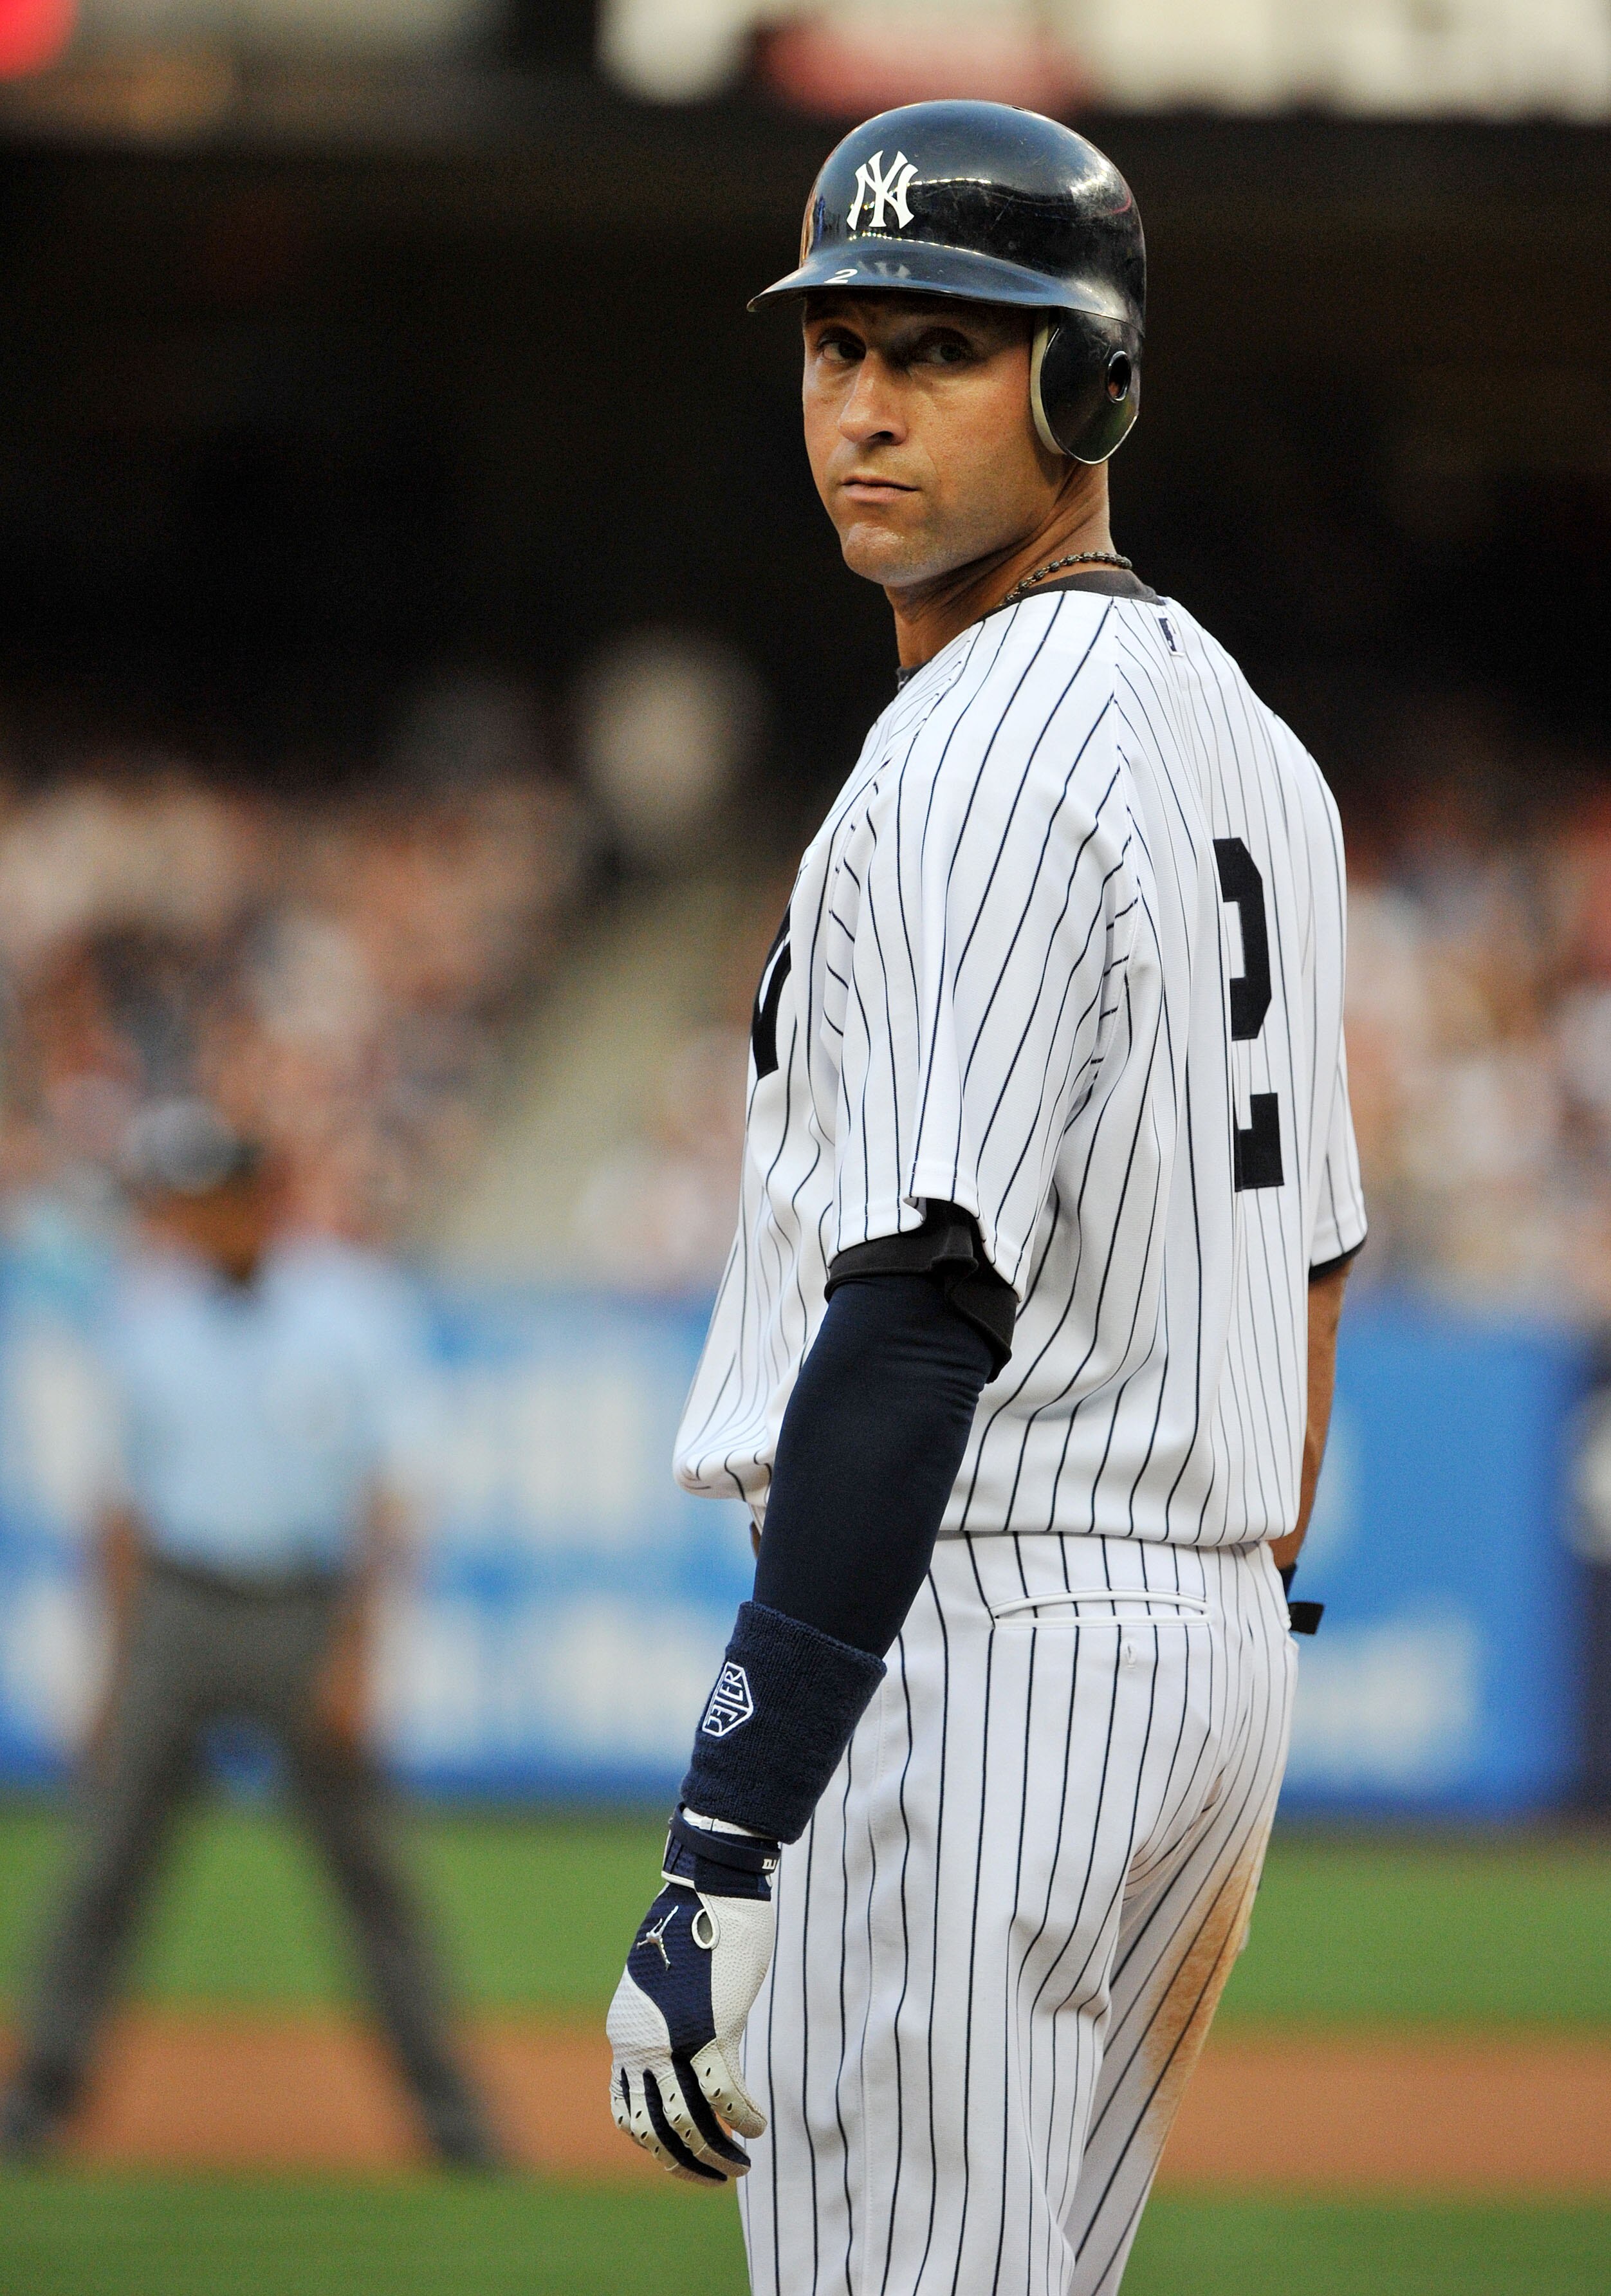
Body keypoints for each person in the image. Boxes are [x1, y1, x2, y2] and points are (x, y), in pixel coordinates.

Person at [605, 100, 1366, 2295]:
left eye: (938, 346)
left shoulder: (968, 751)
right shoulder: (1252, 742)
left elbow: (920, 1301)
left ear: (1084, 382)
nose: (861, 401)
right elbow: (1314, 1247)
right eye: (835, 342)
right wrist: (1197, 1630)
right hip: (1199, 1658)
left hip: (977, 1648)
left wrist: (727, 1832)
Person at [0, 1100, 497, 2169]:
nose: (198, 1225)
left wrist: (360, 1660)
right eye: (187, 1207)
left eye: (214, 1202)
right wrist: (112, 1670)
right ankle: (38, 2110)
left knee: (370, 1880)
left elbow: (388, 1499)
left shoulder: (350, 1307)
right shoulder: (147, 1316)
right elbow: (119, 1515)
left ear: (259, 1199)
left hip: (303, 1612)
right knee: (103, 1870)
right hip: (177, 1613)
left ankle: (456, 2126)